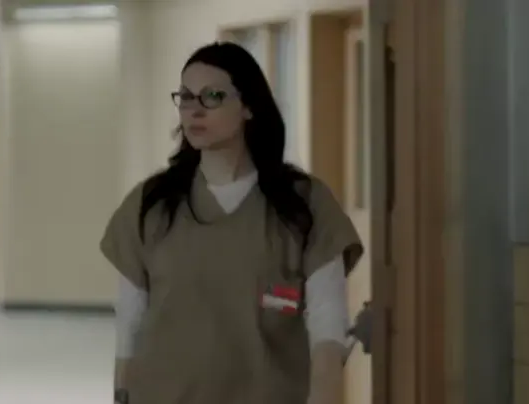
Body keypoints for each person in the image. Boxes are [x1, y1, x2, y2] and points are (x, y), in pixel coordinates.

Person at [100, 41, 363, 404]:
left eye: (213, 96)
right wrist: (121, 394)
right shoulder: (151, 205)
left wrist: (324, 395)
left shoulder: (304, 205)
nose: (195, 110)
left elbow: (327, 323)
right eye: (186, 97)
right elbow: (129, 322)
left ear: (249, 106)